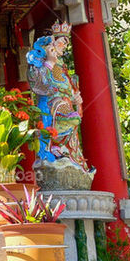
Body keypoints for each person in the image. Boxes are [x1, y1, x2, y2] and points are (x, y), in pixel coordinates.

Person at [26, 21, 91, 171]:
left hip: (66, 104)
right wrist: (49, 62)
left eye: (66, 43)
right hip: (52, 105)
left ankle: (64, 151)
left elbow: (69, 88)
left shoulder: (62, 67)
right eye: (63, 42)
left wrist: (76, 100)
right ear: (53, 43)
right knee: (67, 119)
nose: (65, 46)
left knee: (73, 120)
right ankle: (53, 148)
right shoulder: (42, 61)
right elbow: (38, 84)